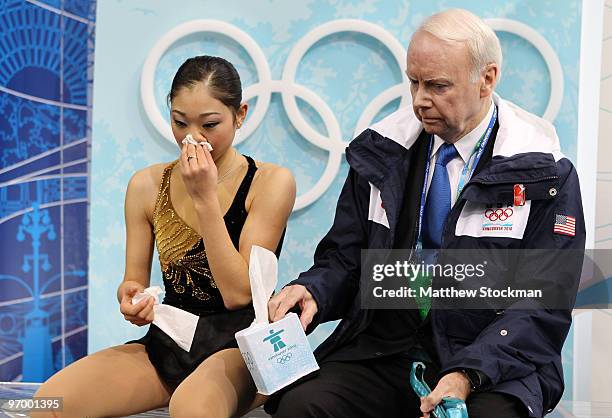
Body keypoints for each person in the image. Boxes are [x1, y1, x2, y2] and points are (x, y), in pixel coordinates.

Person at [266, 9, 584, 418]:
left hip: (493, 362)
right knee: (303, 407)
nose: (419, 100)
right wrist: (313, 291)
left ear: (487, 79)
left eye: (437, 86)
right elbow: (346, 259)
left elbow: (543, 305)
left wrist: (468, 373)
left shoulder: (546, 174)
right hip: (387, 349)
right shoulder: (381, 152)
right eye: (413, 82)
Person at [33, 56, 296, 418]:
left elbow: (239, 295)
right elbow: (133, 282)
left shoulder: (270, 182)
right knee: (49, 403)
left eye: (210, 124)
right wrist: (131, 300)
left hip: (242, 347)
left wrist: (204, 198)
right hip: (170, 344)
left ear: (240, 115)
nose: (193, 137)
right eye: (180, 122)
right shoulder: (146, 185)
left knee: (191, 409)